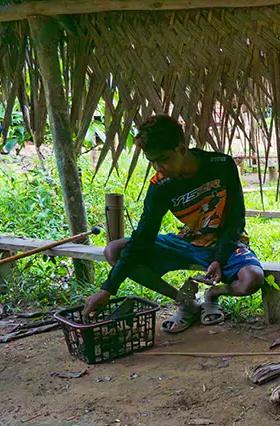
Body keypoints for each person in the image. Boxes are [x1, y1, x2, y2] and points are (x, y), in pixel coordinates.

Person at [82, 115, 264, 332]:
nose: (159, 167)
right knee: (113, 250)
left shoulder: (221, 165)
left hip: (225, 242)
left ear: (180, 148)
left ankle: (213, 294)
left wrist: (219, 259)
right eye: (152, 162)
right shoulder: (160, 186)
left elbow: (236, 219)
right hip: (186, 242)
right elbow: (144, 236)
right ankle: (186, 301)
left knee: (252, 278)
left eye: (164, 159)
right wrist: (108, 289)